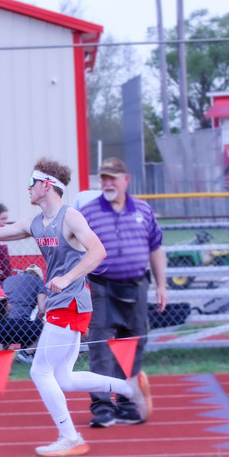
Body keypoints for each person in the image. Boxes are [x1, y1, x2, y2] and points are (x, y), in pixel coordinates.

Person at [0, 157, 151, 457]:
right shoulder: (34, 224)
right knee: (64, 378)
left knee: (39, 371)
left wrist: (68, 277)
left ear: (46, 185)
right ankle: (129, 389)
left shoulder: (70, 217)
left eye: (32, 183)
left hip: (71, 302)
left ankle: (69, 437)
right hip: (64, 302)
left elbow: (98, 251)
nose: (28, 188)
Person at [77, 157, 167, 428]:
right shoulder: (89, 212)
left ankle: (127, 403)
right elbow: (76, 248)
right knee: (101, 347)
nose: (107, 183)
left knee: (132, 345)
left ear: (126, 180)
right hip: (103, 287)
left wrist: (162, 285)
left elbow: (155, 248)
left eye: (112, 178)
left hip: (137, 286)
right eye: (103, 178)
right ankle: (103, 407)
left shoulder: (143, 209)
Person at [0, 265, 48, 362]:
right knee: (48, 325)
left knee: (9, 321)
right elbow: (42, 309)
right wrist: (37, 322)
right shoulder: (38, 281)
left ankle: (2, 354)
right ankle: (25, 353)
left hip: (3, 328)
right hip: (25, 328)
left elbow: (3, 304)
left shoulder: (8, 280)